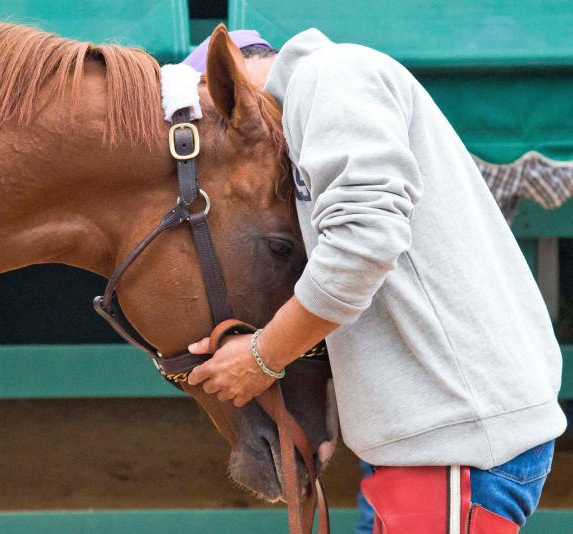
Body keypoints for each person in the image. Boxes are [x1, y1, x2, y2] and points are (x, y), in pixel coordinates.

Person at [182, 28, 566, 533]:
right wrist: (331, 411)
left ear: (225, 77)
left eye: (210, 113)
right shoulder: (311, 116)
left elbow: (363, 245)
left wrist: (261, 357)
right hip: (430, 440)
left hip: (454, 443)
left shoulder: (333, 76)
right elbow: (378, 282)